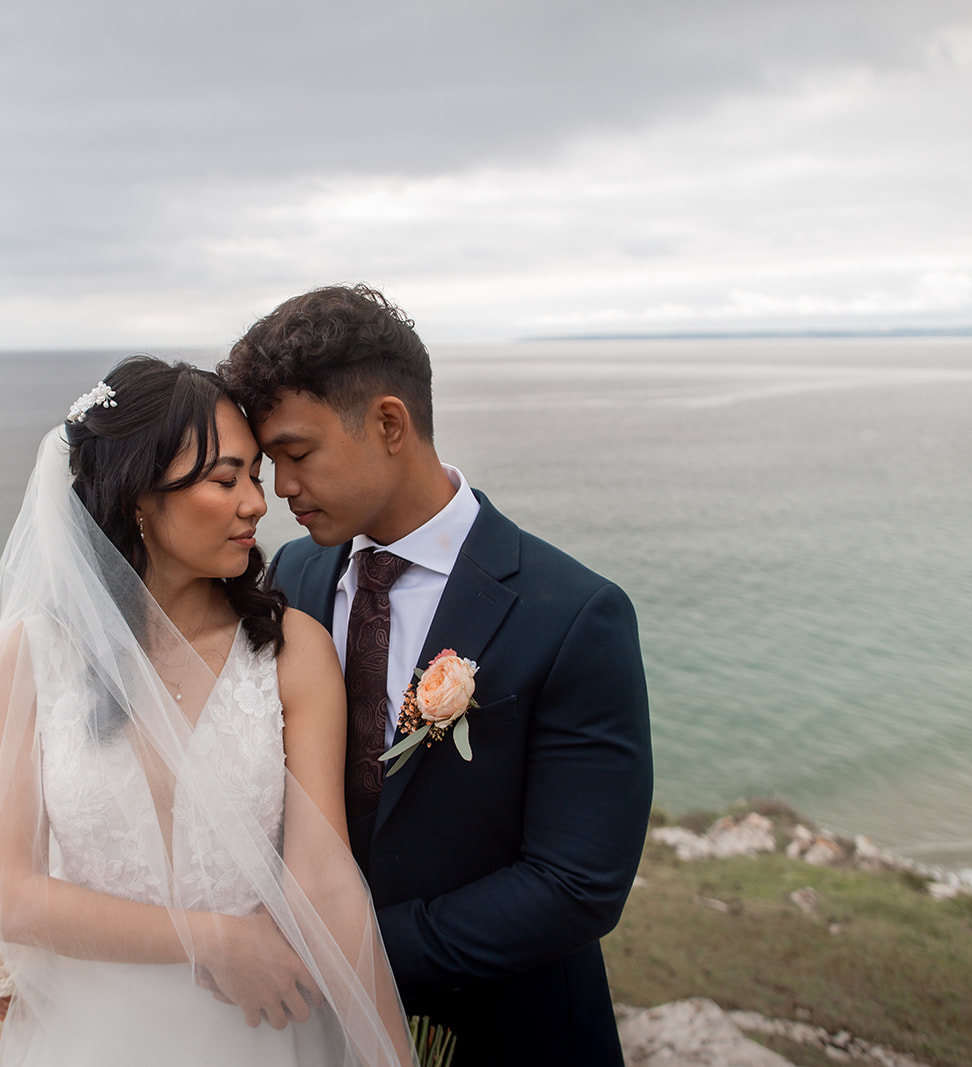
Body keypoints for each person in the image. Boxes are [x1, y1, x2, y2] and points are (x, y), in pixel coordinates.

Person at [220, 286, 653, 1066]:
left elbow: (576, 883)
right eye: (267, 461)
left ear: (390, 423)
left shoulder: (576, 614)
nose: (278, 488)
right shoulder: (296, 573)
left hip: (509, 1033)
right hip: (314, 1034)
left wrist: (342, 951)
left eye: (297, 452)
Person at [0, 356, 414, 1067]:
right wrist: (212, 937)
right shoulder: (30, 657)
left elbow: (324, 880)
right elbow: (13, 895)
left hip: (257, 1032)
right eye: (225, 477)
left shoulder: (293, 650)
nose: (257, 504)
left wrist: (389, 1054)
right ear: (139, 493)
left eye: (255, 478)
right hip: (88, 1036)